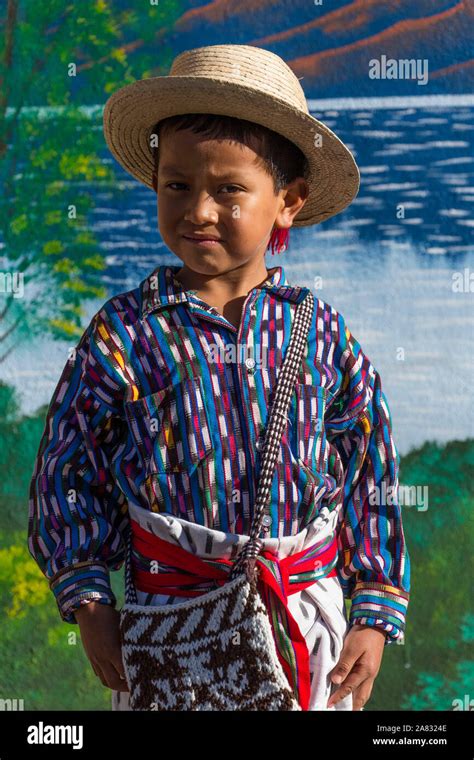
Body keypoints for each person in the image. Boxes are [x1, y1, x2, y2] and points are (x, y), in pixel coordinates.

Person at [27, 44, 410, 712]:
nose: (198, 210)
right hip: (167, 637)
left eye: (227, 189)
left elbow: (367, 469)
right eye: (177, 185)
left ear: (287, 201)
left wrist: (373, 612)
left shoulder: (320, 336)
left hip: (303, 629)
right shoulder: (125, 335)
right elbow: (67, 470)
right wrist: (91, 603)